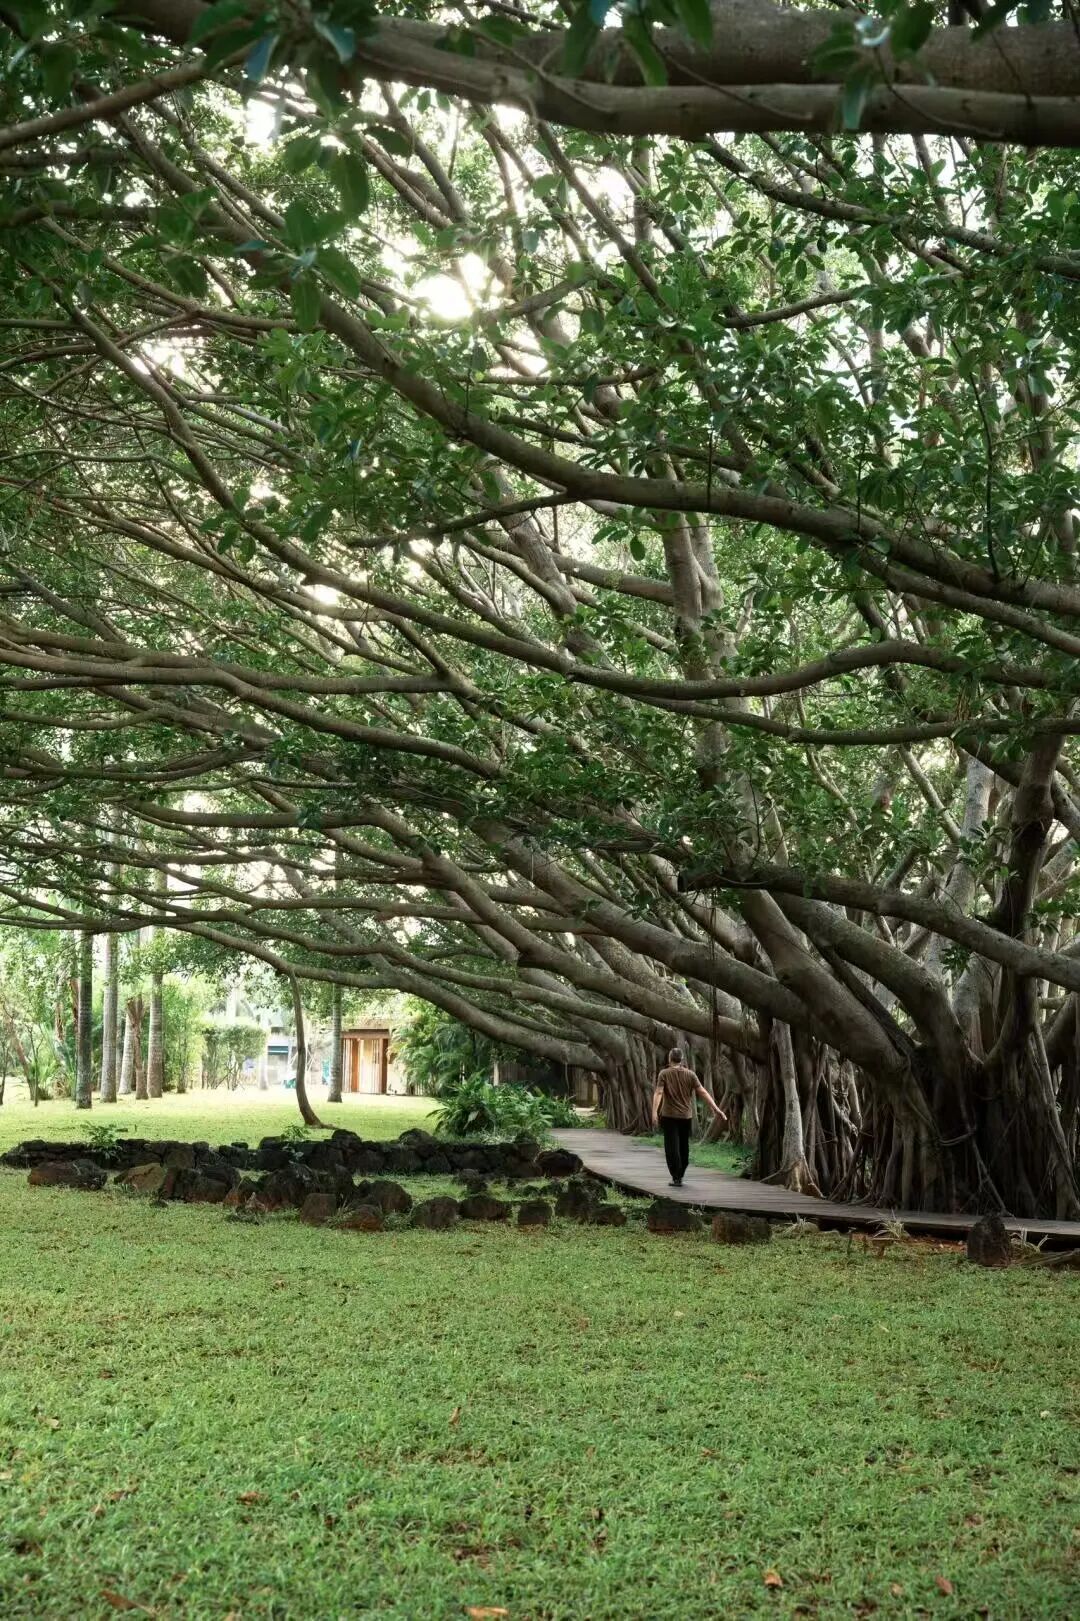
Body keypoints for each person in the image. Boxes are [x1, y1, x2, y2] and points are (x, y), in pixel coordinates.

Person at [652, 1047, 726, 1188]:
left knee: (671, 1146)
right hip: (686, 1116)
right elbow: (703, 1092)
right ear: (682, 1059)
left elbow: (659, 1093)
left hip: (669, 1116)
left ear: (670, 1058)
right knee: (683, 1145)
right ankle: (680, 1172)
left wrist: (654, 1112)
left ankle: (676, 1176)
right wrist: (716, 1109)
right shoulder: (691, 1075)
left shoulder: (664, 1074)